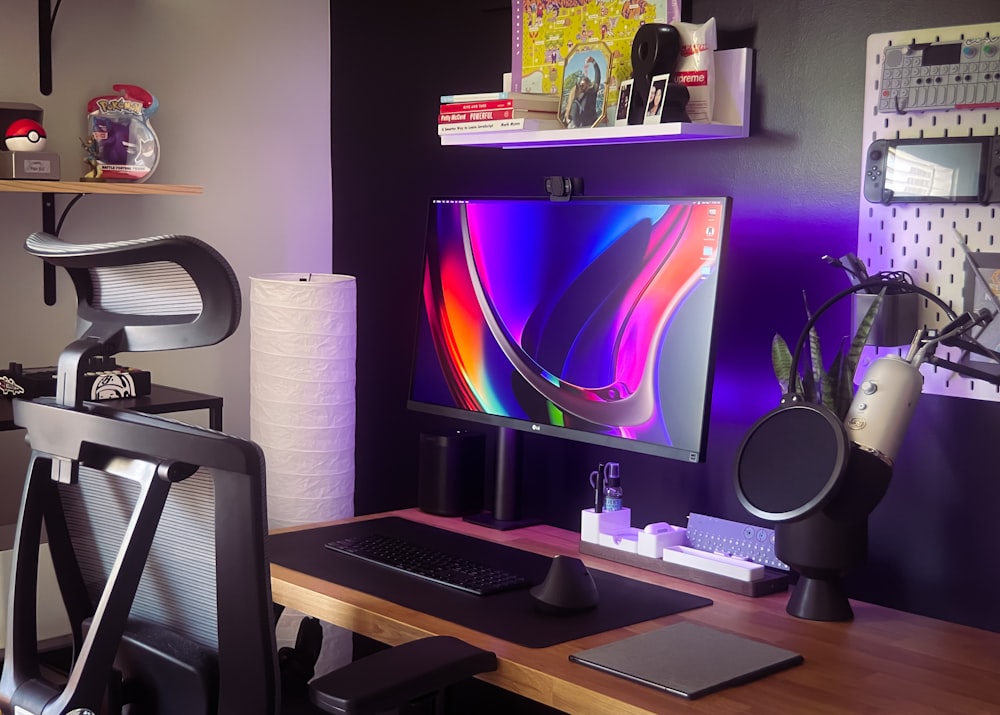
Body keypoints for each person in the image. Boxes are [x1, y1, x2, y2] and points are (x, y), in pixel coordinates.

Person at [562, 55, 602, 128]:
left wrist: (594, 62)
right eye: (581, 84)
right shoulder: (573, 100)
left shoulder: (591, 93)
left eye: (586, 84)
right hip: (577, 130)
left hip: (590, 125)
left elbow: (597, 78)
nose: (583, 86)